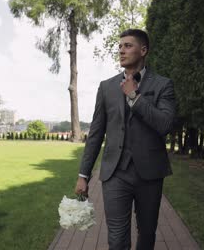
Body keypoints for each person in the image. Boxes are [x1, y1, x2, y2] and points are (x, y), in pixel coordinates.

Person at [75, 29, 176, 250]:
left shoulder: (163, 85)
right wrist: (83, 175)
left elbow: (165, 125)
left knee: (147, 233)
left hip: (150, 174)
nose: (121, 50)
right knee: (117, 238)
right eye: (120, 46)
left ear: (143, 50)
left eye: (128, 45)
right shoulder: (106, 87)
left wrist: (134, 97)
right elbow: (95, 134)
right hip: (115, 173)